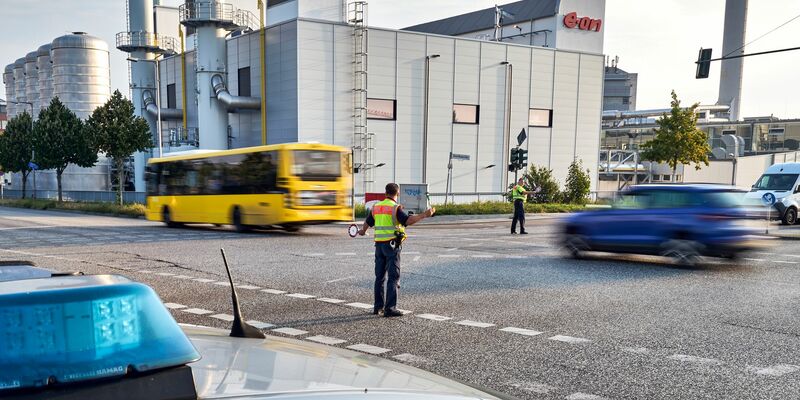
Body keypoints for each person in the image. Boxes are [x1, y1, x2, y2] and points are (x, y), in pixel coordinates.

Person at [358, 183, 435, 317]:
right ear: (397, 193)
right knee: (393, 277)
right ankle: (390, 308)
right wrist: (425, 215)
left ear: (385, 192)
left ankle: (378, 307)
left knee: (380, 277)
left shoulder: (377, 207)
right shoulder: (394, 208)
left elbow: (368, 221)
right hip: (392, 246)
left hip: (379, 246)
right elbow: (408, 220)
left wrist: (363, 231)